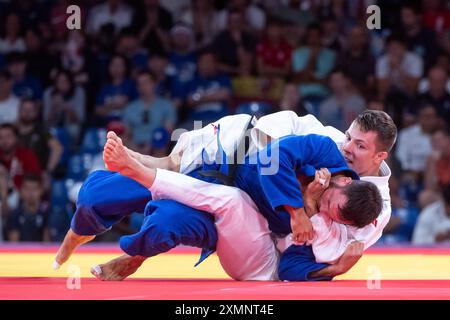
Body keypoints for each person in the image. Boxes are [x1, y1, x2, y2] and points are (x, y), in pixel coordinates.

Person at [54, 110, 396, 279]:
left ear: (380, 156)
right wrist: (301, 205)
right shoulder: (329, 142)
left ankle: (138, 252)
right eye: (350, 137)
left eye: (360, 145)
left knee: (171, 220)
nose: (348, 147)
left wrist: (335, 265)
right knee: (97, 197)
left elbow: (331, 245)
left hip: (250, 219)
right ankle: (76, 234)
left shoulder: (375, 211)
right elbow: (278, 148)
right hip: (227, 154)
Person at [89, 141, 381, 281]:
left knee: (231, 200)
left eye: (333, 214)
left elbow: (291, 268)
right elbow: (272, 158)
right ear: (343, 180)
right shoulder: (324, 152)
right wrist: (298, 211)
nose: (326, 210)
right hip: (225, 189)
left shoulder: (329, 227)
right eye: (330, 202)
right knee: (165, 221)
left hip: (249, 243)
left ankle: (143, 171)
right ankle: (136, 255)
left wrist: (337, 268)